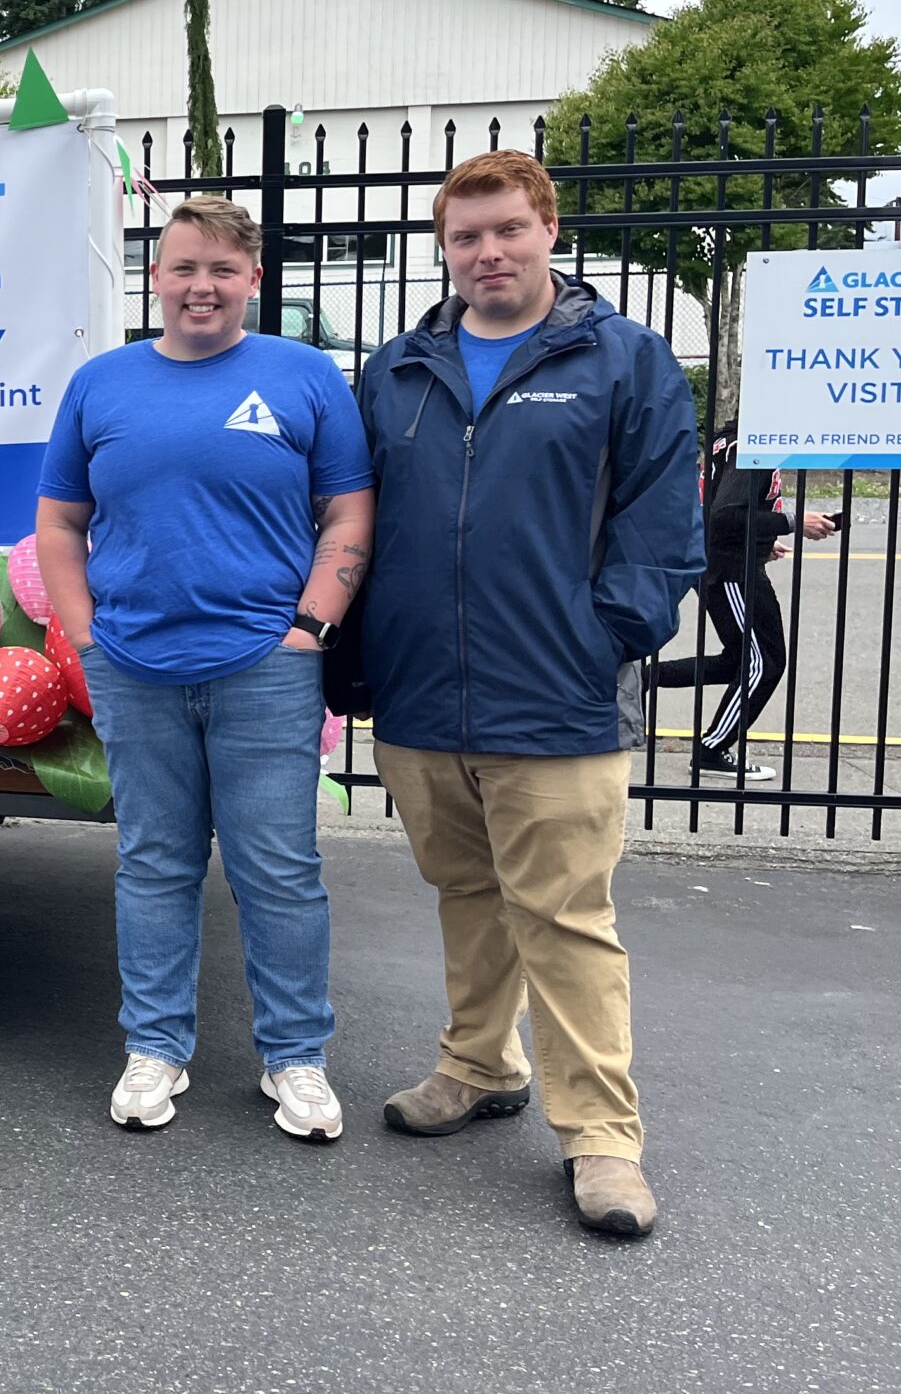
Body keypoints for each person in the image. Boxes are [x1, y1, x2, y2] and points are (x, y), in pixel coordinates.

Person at [354, 149, 702, 1238]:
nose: (487, 252)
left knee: (565, 919)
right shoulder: (396, 370)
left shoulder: (621, 360)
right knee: (466, 894)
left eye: (507, 229)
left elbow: (660, 527)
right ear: (443, 249)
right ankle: (476, 1064)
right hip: (422, 699)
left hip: (556, 698)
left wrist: (601, 638)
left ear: (548, 228)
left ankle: (601, 1140)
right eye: (465, 237)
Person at [37, 195, 376, 1143]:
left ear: (253, 281)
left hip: (267, 668)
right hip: (135, 665)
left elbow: (348, 511)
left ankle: (297, 1060)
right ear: (157, 275)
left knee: (279, 871)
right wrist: (87, 635)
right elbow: (60, 522)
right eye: (185, 267)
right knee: (154, 864)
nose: (202, 286)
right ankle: (154, 1049)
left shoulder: (303, 376)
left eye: (224, 270)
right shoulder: (101, 384)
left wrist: (309, 628)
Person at [649, 418, 836, 782]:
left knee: (739, 661)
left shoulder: (732, 441)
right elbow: (724, 517)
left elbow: (721, 508)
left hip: (726, 562)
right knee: (764, 663)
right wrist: (795, 522)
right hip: (730, 572)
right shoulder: (751, 446)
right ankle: (712, 749)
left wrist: (763, 542)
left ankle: (639, 679)